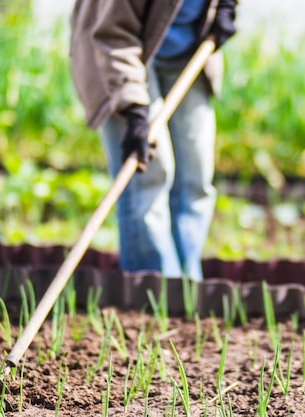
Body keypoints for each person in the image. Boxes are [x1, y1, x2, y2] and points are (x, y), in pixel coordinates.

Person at [69, 0, 237, 281]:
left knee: (195, 175)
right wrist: (134, 111)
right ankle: (154, 290)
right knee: (148, 173)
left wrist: (227, 6)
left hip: (187, 50)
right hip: (119, 53)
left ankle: (186, 285)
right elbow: (113, 35)